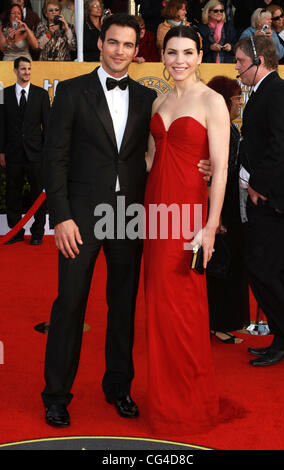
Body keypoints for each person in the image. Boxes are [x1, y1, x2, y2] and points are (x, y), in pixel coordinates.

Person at [41, 13, 157, 428]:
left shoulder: (146, 98)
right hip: (81, 220)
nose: (120, 52)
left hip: (128, 219)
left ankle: (118, 387)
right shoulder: (71, 92)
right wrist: (62, 219)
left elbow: (157, 154)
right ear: (100, 43)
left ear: (136, 48)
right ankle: (56, 395)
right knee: (69, 306)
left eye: (128, 45)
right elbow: (54, 158)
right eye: (113, 43)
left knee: (122, 307)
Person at [144, 25, 229, 434]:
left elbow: (222, 168)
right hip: (155, 212)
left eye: (188, 52)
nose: (179, 60)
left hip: (188, 213)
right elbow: (150, 158)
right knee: (159, 306)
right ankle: (163, 402)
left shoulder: (212, 101)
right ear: (163, 55)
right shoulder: (159, 100)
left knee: (186, 308)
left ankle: (190, 403)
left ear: (200, 56)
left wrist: (211, 226)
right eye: (172, 52)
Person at [235, 35, 284, 366]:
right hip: (270, 199)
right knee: (274, 270)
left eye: (241, 62)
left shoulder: (280, 91)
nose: (237, 69)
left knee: (264, 269)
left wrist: (258, 184)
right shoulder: (266, 93)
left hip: (277, 200)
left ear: (259, 61)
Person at [206, 75, 250, 344]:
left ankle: (227, 320)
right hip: (223, 203)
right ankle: (217, 322)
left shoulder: (230, 128)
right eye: (236, 98)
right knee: (221, 264)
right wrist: (217, 213)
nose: (239, 104)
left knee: (231, 262)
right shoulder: (217, 128)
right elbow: (213, 173)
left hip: (233, 202)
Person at [0, 57, 50, 245]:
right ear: (15, 71)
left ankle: (38, 233)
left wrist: (46, 153)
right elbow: (1, 125)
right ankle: (15, 232)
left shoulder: (41, 95)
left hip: (36, 154)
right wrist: (1, 151)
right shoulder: (3, 94)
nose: (27, 72)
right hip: (13, 154)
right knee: (13, 193)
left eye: (29, 69)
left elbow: (48, 126)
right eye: (23, 69)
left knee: (39, 195)